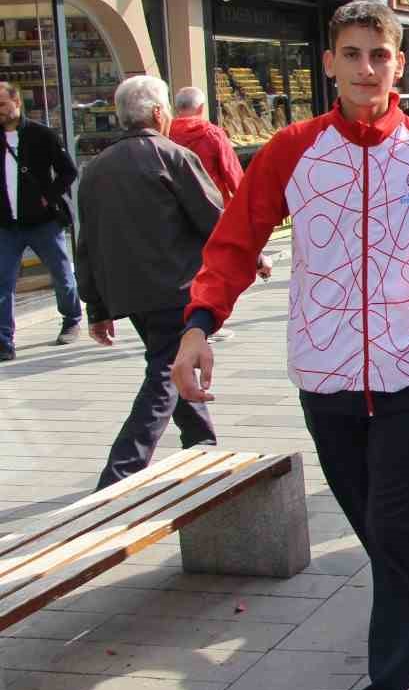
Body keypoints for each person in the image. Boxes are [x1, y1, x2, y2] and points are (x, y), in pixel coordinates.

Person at [173, 0, 409, 690]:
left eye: (380, 54)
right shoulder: (291, 149)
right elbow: (236, 240)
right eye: (352, 54)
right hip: (326, 370)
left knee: (394, 522)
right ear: (330, 64)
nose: (367, 68)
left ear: (400, 63)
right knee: (385, 538)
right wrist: (200, 323)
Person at [75, 75, 241, 487]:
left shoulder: (95, 169)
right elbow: (214, 219)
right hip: (175, 288)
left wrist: (96, 307)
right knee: (166, 372)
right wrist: (246, 255)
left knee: (167, 363)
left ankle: (202, 443)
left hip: (128, 293)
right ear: (155, 113)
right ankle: (119, 474)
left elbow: (87, 243)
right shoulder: (172, 156)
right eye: (165, 108)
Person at [0, 80, 82, 358]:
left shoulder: (41, 134)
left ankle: (71, 320)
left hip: (43, 222)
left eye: (2, 104)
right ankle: (4, 341)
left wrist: (49, 194)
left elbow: (68, 172)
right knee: (3, 284)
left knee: (61, 274)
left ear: (17, 102)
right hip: (6, 225)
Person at [168, 87, 245, 204]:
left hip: (178, 204)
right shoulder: (213, 133)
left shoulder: (165, 134)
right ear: (202, 107)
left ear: (177, 107)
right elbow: (232, 172)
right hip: (212, 203)